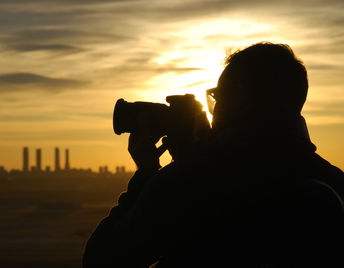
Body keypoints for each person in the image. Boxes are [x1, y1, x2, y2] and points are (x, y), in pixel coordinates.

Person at [82, 42, 344, 268]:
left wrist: (148, 174)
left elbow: (104, 260)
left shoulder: (190, 183)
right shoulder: (335, 184)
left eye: (218, 97)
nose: (214, 109)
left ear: (239, 98)